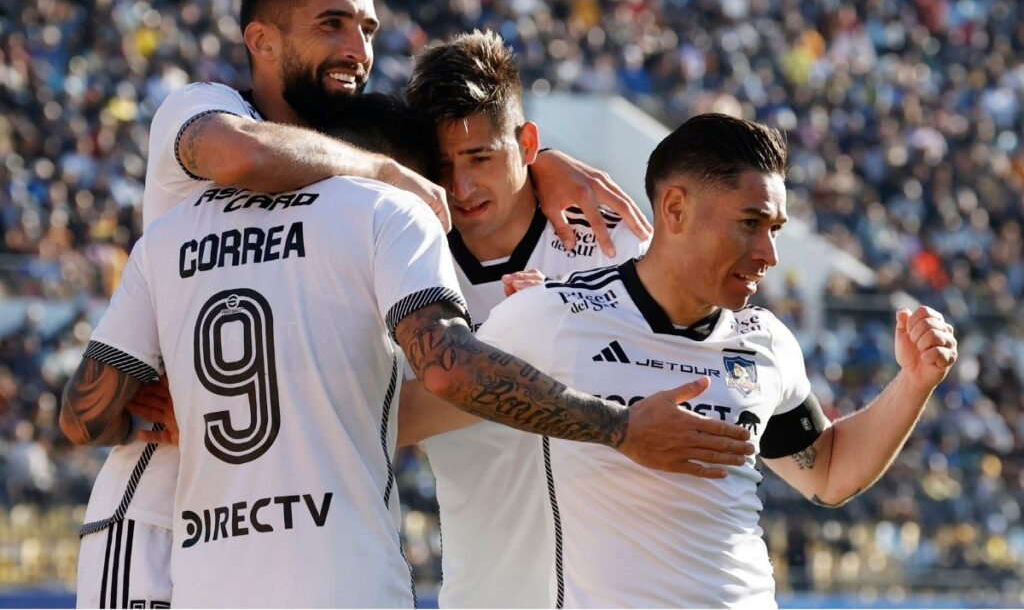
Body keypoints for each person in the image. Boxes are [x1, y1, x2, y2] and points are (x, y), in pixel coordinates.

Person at [69, 0, 650, 608]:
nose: (358, 48)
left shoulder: (364, 206)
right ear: (260, 40)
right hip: (160, 518)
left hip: (297, 553)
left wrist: (538, 166)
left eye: (368, 27)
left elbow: (372, 400)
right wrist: (387, 175)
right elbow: (242, 154)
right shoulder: (205, 111)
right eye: (333, 24)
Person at [56, 130, 755, 605]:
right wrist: (617, 423)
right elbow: (232, 148)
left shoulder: (179, 236)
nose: (458, 186)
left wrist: (539, 171)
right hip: (203, 537)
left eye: (484, 158)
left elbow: (82, 417)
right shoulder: (382, 215)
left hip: (213, 558)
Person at [458, 113, 958, 607]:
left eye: (776, 229)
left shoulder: (766, 340)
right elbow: (430, 395)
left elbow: (826, 472)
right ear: (674, 209)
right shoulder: (551, 314)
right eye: (750, 224)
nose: (769, 253)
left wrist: (914, 382)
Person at [399, 29, 665, 608]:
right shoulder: (405, 259)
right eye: (443, 165)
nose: (463, 187)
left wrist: (571, 331)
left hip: (628, 593)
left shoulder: (610, 236)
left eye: (481, 157)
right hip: (486, 593)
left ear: (527, 142)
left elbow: (678, 380)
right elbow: (385, 419)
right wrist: (515, 343)